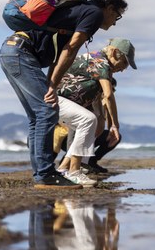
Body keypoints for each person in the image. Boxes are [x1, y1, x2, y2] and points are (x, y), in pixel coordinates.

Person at [0, 0, 127, 189]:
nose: (113, 24)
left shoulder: (79, 13)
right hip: (21, 53)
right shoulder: (93, 13)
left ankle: (43, 174)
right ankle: (45, 175)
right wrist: (51, 85)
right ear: (109, 8)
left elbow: (59, 57)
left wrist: (52, 84)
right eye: (117, 16)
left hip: (12, 51)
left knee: (38, 115)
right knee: (46, 110)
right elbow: (71, 48)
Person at [56, 38, 137, 186]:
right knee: (88, 120)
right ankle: (73, 171)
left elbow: (100, 98)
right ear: (114, 52)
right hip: (56, 100)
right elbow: (108, 95)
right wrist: (114, 126)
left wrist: (105, 122)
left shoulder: (102, 63)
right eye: (124, 62)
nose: (124, 68)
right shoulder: (100, 61)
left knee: (95, 123)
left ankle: (63, 168)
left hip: (69, 103)